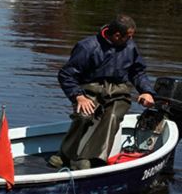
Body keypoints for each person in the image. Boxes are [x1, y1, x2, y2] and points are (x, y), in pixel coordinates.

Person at [48, 15, 156, 170]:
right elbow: (66, 74)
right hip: (90, 91)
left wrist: (147, 91)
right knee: (84, 116)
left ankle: (92, 158)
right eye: (129, 36)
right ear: (117, 35)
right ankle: (65, 154)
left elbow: (138, 72)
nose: (131, 39)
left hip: (118, 93)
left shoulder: (130, 47)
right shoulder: (87, 47)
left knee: (112, 116)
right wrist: (78, 96)